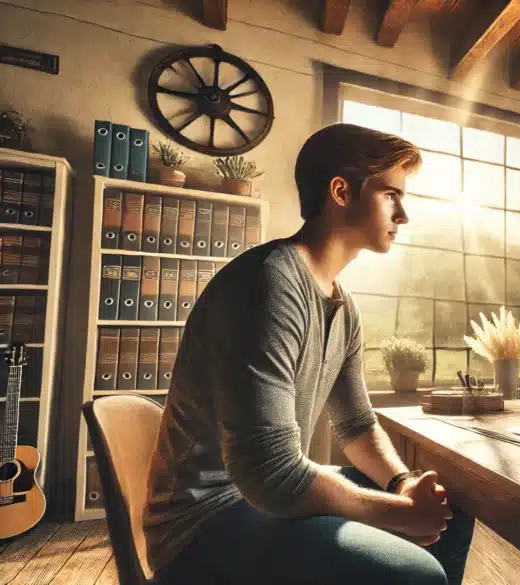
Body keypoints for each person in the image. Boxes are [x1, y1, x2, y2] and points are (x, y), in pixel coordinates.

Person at [144, 124, 474, 585]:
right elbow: (271, 476)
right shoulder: (268, 285)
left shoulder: (343, 306)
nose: (403, 215)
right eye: (391, 195)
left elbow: (357, 425)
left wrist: (402, 485)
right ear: (341, 191)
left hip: (262, 503)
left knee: (450, 516)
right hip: (206, 527)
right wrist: (397, 513)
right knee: (416, 574)